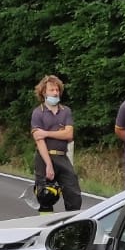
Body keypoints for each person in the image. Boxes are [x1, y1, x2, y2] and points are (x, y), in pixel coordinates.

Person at [30, 75, 81, 213]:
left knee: (74, 194)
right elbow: (39, 140)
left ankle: (72, 225)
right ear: (44, 92)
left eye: (57, 90)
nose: (55, 93)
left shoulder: (66, 111)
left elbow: (69, 134)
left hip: (62, 156)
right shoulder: (37, 113)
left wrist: (46, 133)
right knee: (46, 195)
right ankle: (46, 226)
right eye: (52, 90)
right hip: (44, 157)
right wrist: (48, 165)